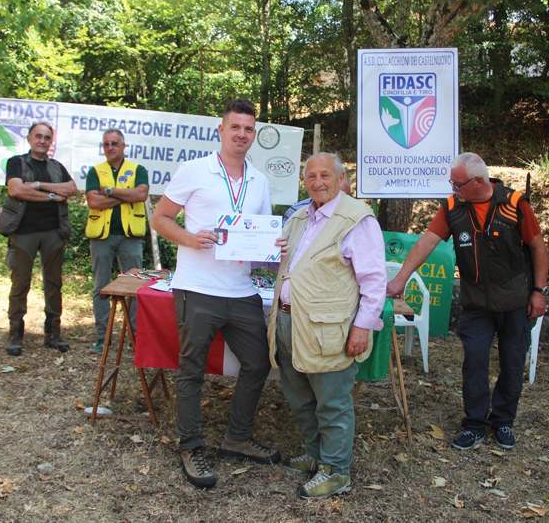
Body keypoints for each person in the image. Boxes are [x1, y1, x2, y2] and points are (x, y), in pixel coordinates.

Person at [151, 99, 281, 489]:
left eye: (248, 129)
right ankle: (191, 446)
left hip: (242, 289)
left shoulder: (259, 180)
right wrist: (190, 239)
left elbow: (260, 238)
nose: (241, 134)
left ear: (253, 135)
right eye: (235, 127)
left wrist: (275, 249)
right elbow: (159, 218)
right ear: (220, 131)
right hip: (197, 288)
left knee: (258, 363)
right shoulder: (195, 170)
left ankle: (237, 438)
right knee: (191, 368)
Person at [386, 152, 548, 452]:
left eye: (457, 184)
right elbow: (427, 242)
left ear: (478, 182)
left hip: (515, 301)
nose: (453, 189)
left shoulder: (514, 204)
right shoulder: (451, 207)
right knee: (474, 361)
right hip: (476, 304)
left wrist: (540, 291)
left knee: (512, 364)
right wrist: (401, 279)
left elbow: (538, 247)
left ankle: (503, 422)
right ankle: (475, 424)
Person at [269, 152, 385, 499]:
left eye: (325, 175)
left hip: (327, 329)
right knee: (300, 396)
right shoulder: (300, 217)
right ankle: (316, 454)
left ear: (340, 179)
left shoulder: (357, 219)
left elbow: (374, 280)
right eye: (311, 176)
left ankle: (337, 471)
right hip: (289, 322)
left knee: (332, 401)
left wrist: (363, 327)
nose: (317, 182)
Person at [0, 122, 77, 356]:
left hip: (54, 232)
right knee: (20, 284)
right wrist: (53, 196)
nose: (42, 141)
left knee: (54, 284)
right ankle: (15, 335)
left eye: (46, 137)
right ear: (29, 138)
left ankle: (53, 333)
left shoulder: (56, 167)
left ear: (51, 141)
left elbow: (72, 189)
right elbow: (16, 190)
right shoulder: (17, 162)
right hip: (23, 233)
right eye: (38, 136)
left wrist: (39, 186)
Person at [85, 128, 149, 353]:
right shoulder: (95, 171)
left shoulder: (137, 169)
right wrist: (125, 195)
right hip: (101, 237)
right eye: (106, 144)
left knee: (135, 288)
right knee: (101, 287)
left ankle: (135, 337)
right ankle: (103, 337)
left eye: (114, 143)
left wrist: (110, 192)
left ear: (123, 146)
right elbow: (94, 201)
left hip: (130, 237)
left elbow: (141, 195)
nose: (110, 148)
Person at [283, 170, 351, 221]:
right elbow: (282, 236)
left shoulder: (355, 213)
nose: (340, 201)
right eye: (336, 196)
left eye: (346, 196)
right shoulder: (296, 212)